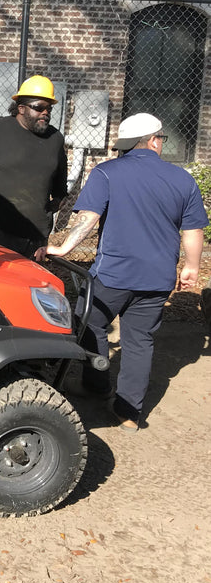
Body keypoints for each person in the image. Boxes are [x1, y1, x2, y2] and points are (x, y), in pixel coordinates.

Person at [47, 113, 207, 431]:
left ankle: (96, 385)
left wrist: (63, 248)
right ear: (151, 141)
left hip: (115, 273)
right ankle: (128, 413)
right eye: (161, 137)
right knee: (140, 340)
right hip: (158, 276)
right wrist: (190, 267)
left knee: (90, 321)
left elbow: (88, 217)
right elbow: (193, 230)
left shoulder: (107, 172)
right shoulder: (183, 180)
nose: (162, 142)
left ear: (129, 144)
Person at [0, 75, 68, 261]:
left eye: (49, 108)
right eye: (39, 107)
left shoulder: (55, 139)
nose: (45, 113)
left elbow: (60, 191)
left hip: (33, 240)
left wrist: (44, 218)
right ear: (21, 108)